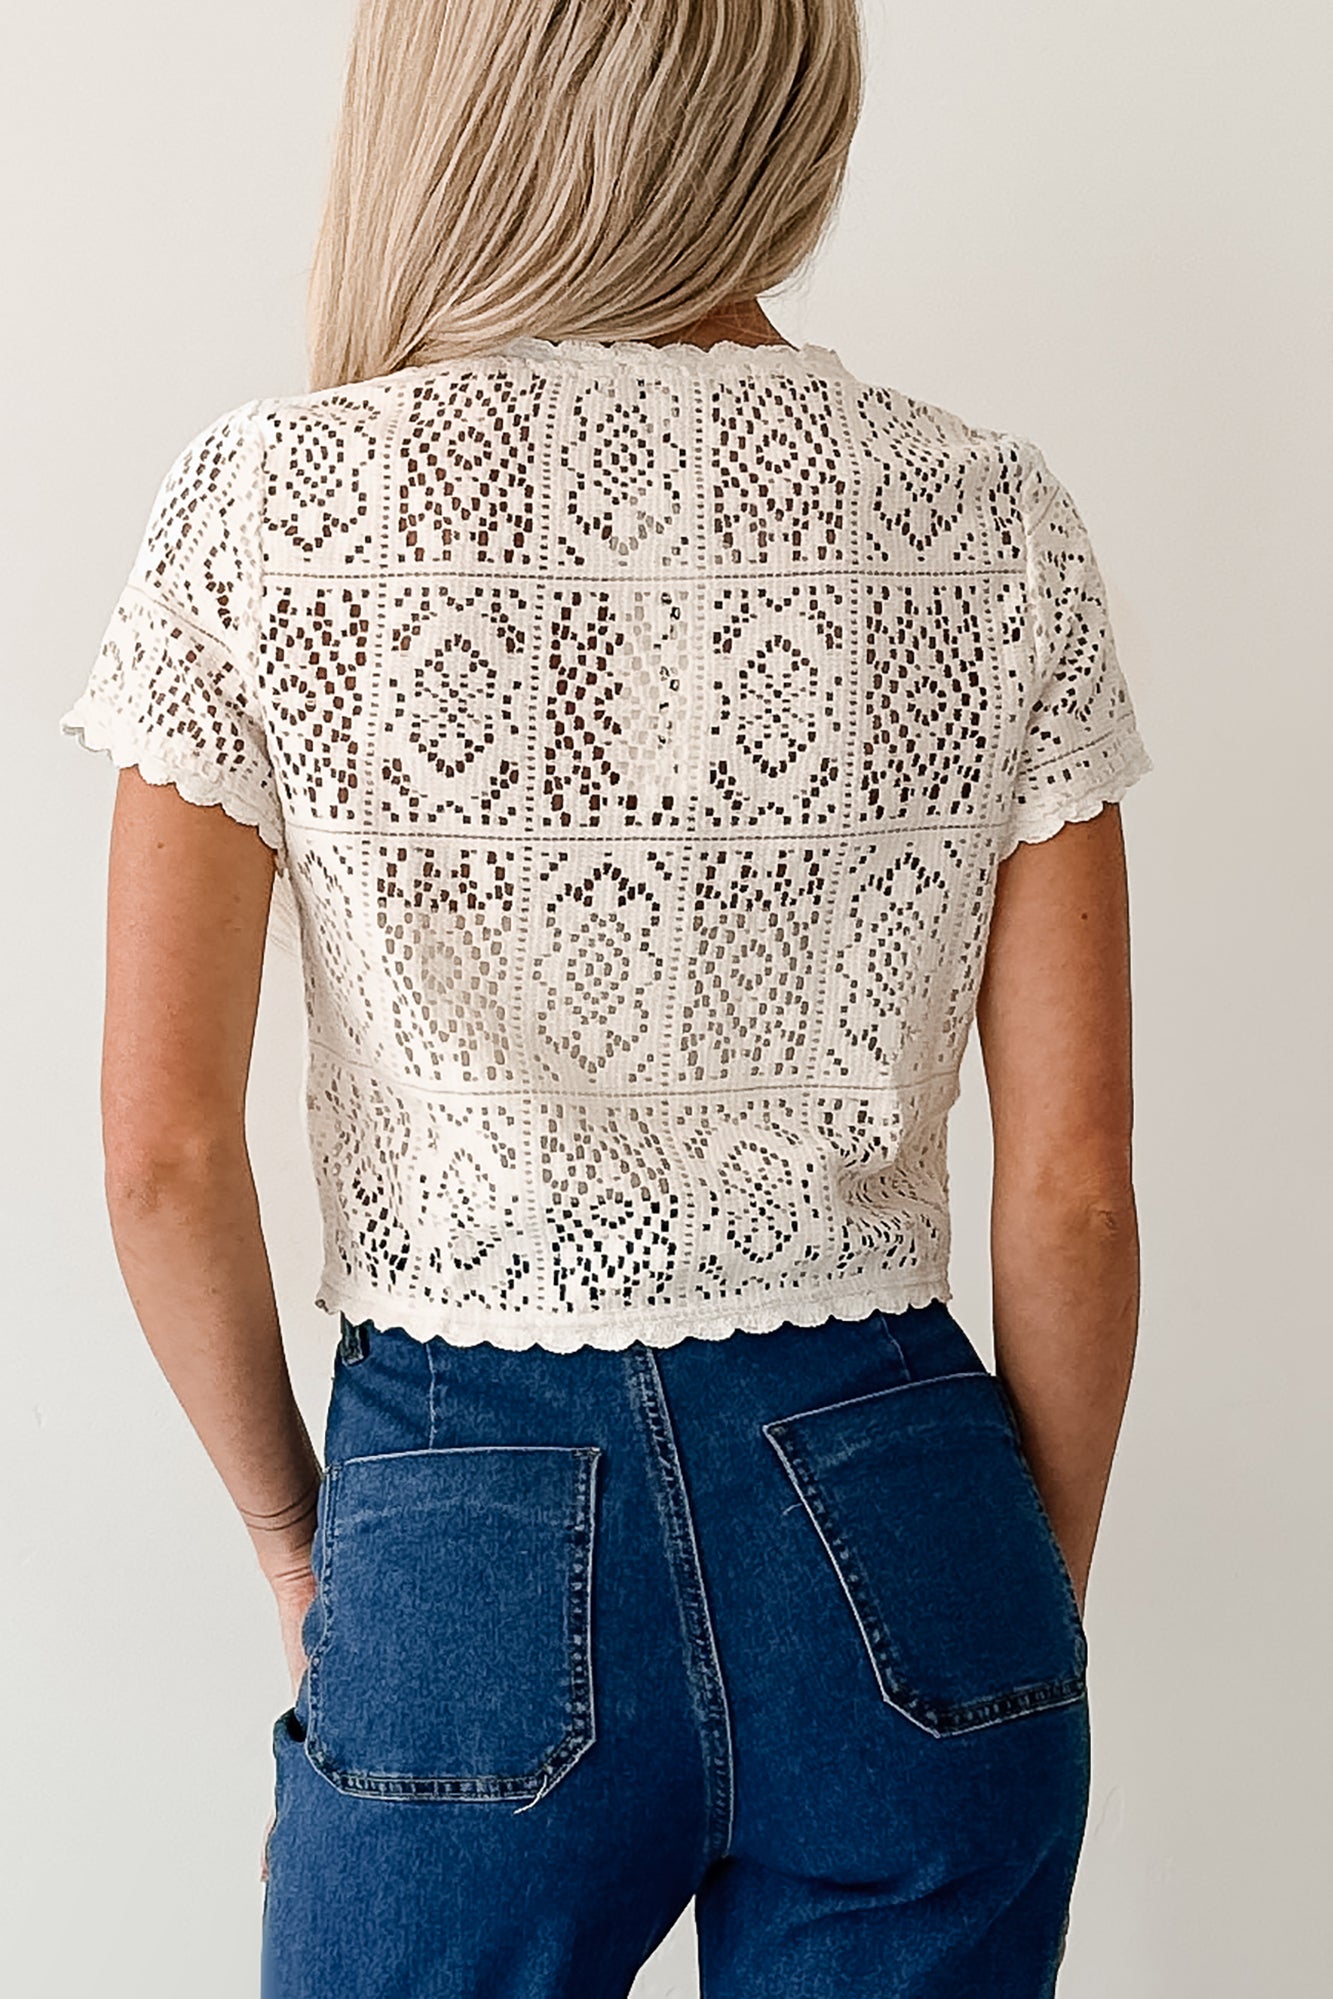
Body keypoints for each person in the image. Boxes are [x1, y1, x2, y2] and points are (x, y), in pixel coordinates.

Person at [57, 3, 1153, 1994]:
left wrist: (296, 1545)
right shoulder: (990, 517)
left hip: (458, 1509)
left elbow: (160, 1155)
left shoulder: (267, 509)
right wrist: (1021, 1599)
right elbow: (1072, 1179)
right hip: (903, 1504)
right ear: (784, 108)